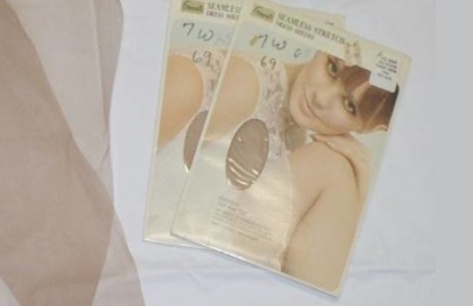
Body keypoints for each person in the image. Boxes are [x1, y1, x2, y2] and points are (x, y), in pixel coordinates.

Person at [161, 45, 397, 290]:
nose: (321, 98)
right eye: (332, 68)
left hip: (213, 272)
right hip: (185, 263)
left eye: (349, 106)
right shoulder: (246, 83)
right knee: (333, 167)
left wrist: (361, 185)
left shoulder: (297, 138)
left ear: (372, 128)